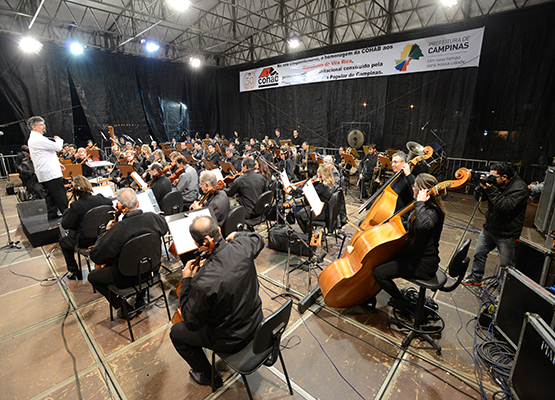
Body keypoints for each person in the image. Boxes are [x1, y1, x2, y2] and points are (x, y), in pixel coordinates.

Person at [170, 216, 265, 388]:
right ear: (220, 231)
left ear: (197, 244)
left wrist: (186, 281)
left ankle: (209, 376)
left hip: (231, 341)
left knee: (177, 332)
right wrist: (238, 235)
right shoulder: (243, 247)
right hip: (257, 325)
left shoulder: (202, 282)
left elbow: (191, 322)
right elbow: (258, 238)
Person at [88, 188, 169, 319]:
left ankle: (124, 307)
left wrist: (105, 232)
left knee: (93, 277)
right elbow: (164, 229)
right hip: (152, 269)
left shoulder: (117, 229)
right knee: (141, 254)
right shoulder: (153, 218)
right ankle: (140, 298)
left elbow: (96, 256)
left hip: (125, 278)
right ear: (138, 204)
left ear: (120, 206)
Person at [373, 173, 445, 312]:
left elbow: (423, 226)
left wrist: (419, 202)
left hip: (422, 264)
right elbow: (411, 225)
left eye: (415, 186)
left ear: (422, 192)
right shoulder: (424, 209)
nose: (413, 188)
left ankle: (401, 302)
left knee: (379, 273)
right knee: (382, 259)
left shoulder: (432, 212)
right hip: (415, 256)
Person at [462, 163, 529, 286]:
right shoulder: (497, 183)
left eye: (493, 177)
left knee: (506, 265)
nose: (491, 179)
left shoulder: (520, 188)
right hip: (490, 227)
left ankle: (504, 290)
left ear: (504, 177)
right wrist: (481, 187)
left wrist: (491, 189)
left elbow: (506, 206)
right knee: (479, 253)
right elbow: (479, 198)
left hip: (507, 233)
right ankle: (476, 277)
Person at [59, 175, 113, 280]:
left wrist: (68, 209)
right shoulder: (101, 198)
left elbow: (66, 225)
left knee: (63, 242)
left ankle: (74, 271)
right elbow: (110, 203)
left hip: (85, 241)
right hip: (103, 236)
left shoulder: (76, 206)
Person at [27, 116, 68, 220]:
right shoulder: (37, 139)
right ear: (33, 127)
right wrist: (59, 139)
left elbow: (46, 154)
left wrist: (58, 163)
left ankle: (52, 215)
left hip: (46, 172)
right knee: (60, 195)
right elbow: (58, 147)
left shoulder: (36, 138)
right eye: (41, 124)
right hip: (50, 173)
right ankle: (68, 216)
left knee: (50, 196)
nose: (43, 126)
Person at [293, 164, 334, 234]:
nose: (316, 174)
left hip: (320, 211)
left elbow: (307, 193)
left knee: (298, 215)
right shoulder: (329, 183)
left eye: (318, 172)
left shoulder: (322, 186)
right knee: (304, 210)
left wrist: (296, 189)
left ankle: (308, 234)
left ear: (322, 174)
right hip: (326, 209)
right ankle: (310, 230)